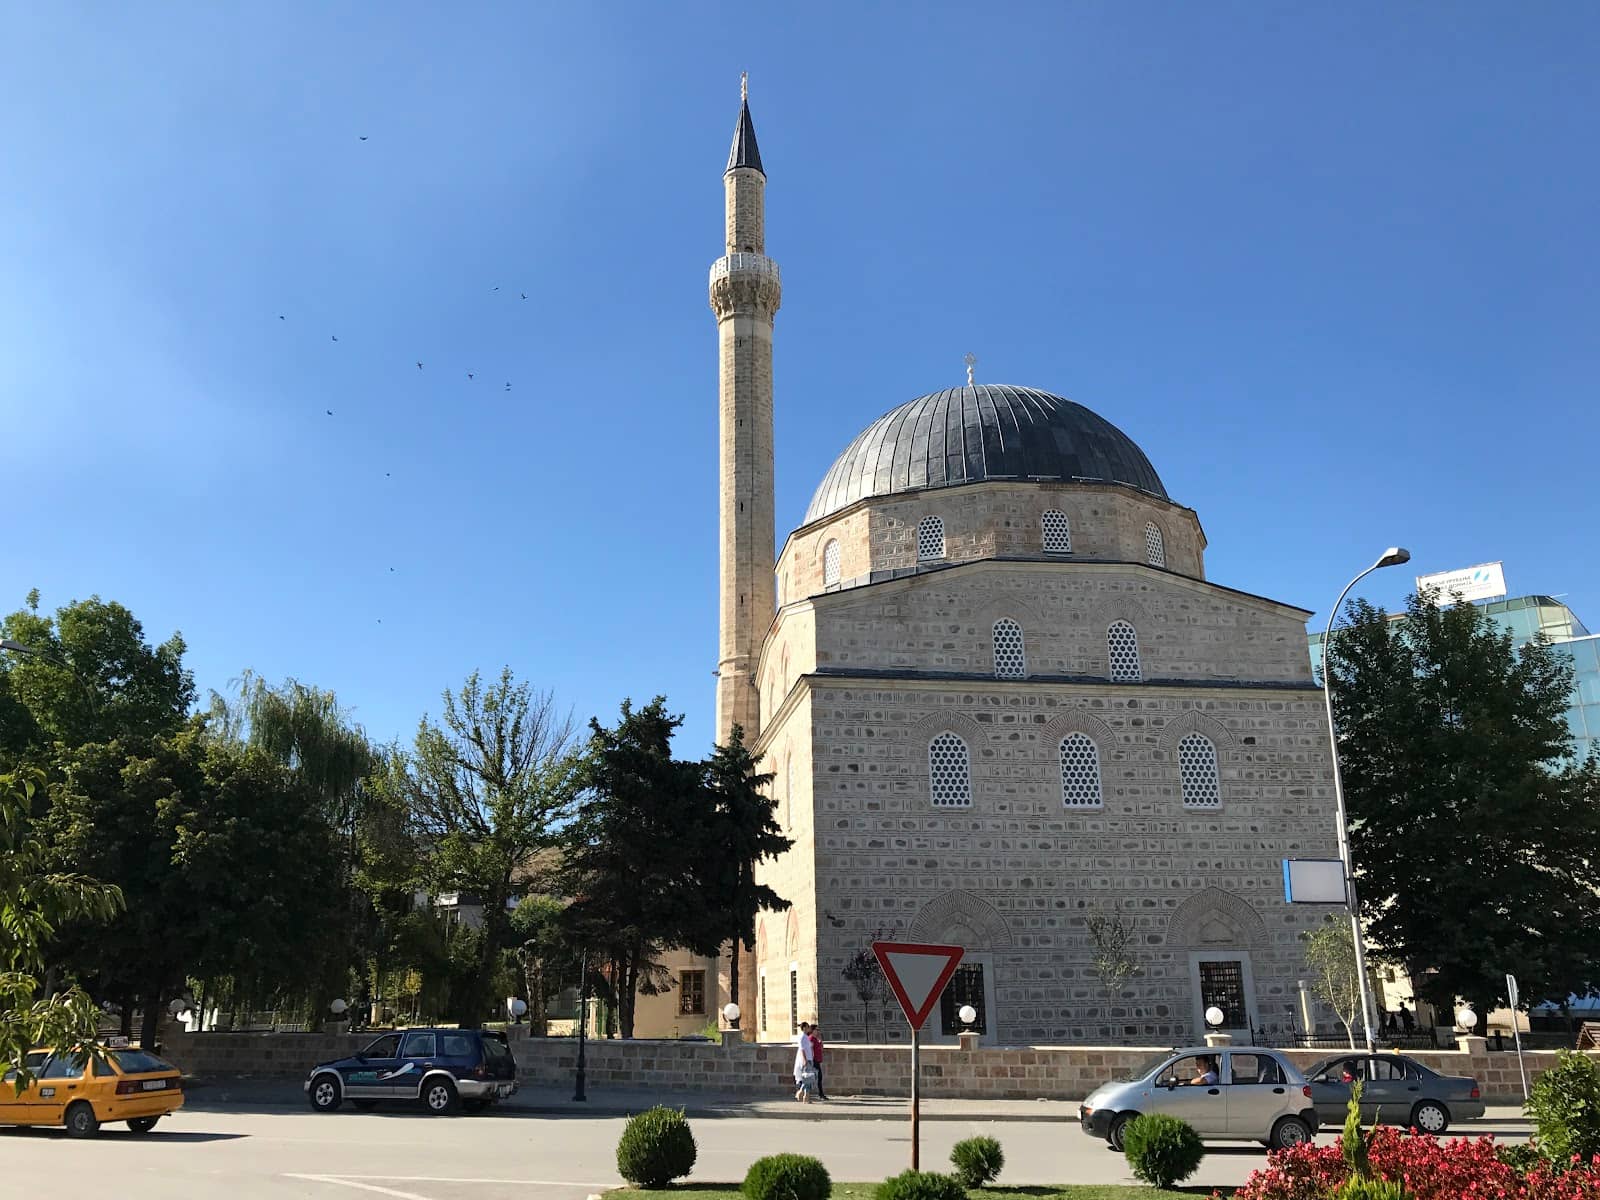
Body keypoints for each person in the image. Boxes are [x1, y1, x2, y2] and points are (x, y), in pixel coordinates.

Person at [793, 1021, 816, 1103]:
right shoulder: (802, 1037)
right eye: (808, 1027)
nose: (809, 1028)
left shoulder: (806, 1037)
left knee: (808, 1078)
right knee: (807, 1079)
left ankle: (806, 1097)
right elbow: (802, 1049)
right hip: (806, 1060)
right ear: (804, 1028)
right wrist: (805, 1060)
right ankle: (800, 1093)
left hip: (809, 1059)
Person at [809, 1022, 828, 1100]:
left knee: (818, 1077)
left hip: (817, 1060)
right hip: (814, 1060)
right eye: (817, 1029)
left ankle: (820, 1094)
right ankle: (820, 1094)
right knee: (815, 1077)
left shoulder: (816, 1039)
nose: (818, 1031)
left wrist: (820, 1041)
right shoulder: (811, 1038)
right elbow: (810, 1049)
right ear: (813, 1030)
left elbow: (821, 1048)